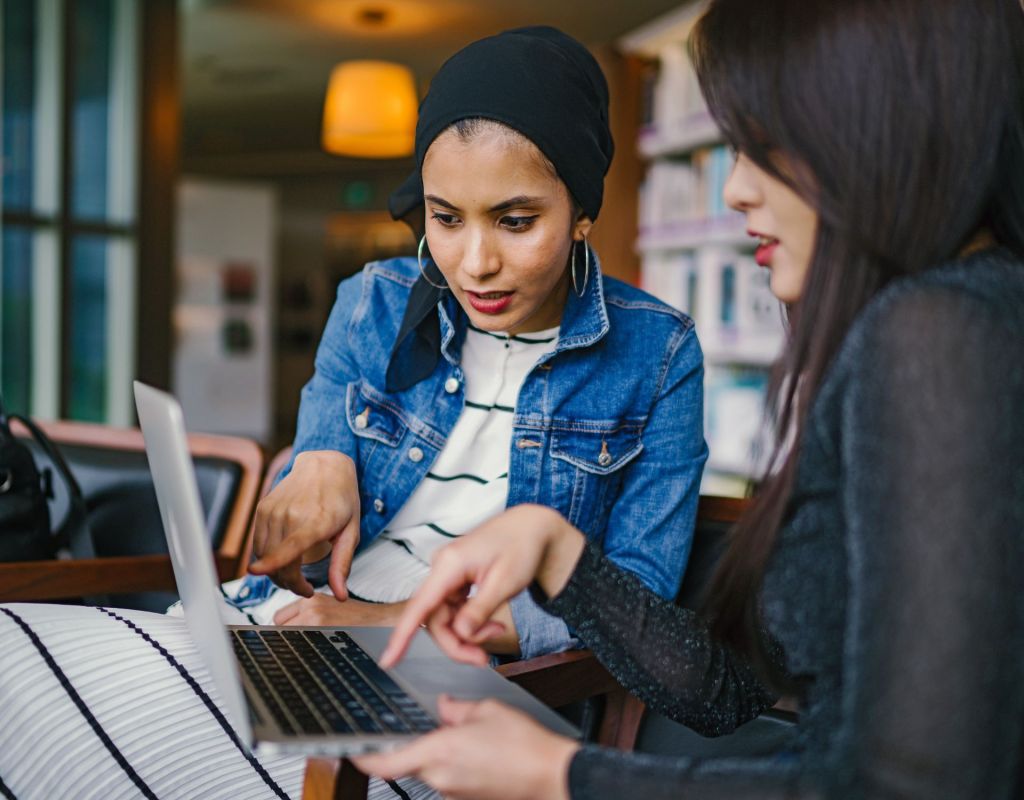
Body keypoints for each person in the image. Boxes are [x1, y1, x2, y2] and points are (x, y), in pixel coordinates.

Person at [0, 26, 708, 800]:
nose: (474, 262)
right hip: (296, 626)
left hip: (472, 685)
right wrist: (319, 454)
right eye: (445, 218)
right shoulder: (373, 301)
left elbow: (632, 604)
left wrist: (386, 618)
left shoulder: (660, 355)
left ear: (581, 212)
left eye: (514, 221)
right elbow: (306, 497)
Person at [354, 0, 1024, 797]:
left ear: (882, 124)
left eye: (764, 146)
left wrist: (558, 775)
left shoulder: (940, 333)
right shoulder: (940, 323)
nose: (737, 189)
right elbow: (726, 694)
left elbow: (914, 788)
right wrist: (558, 552)